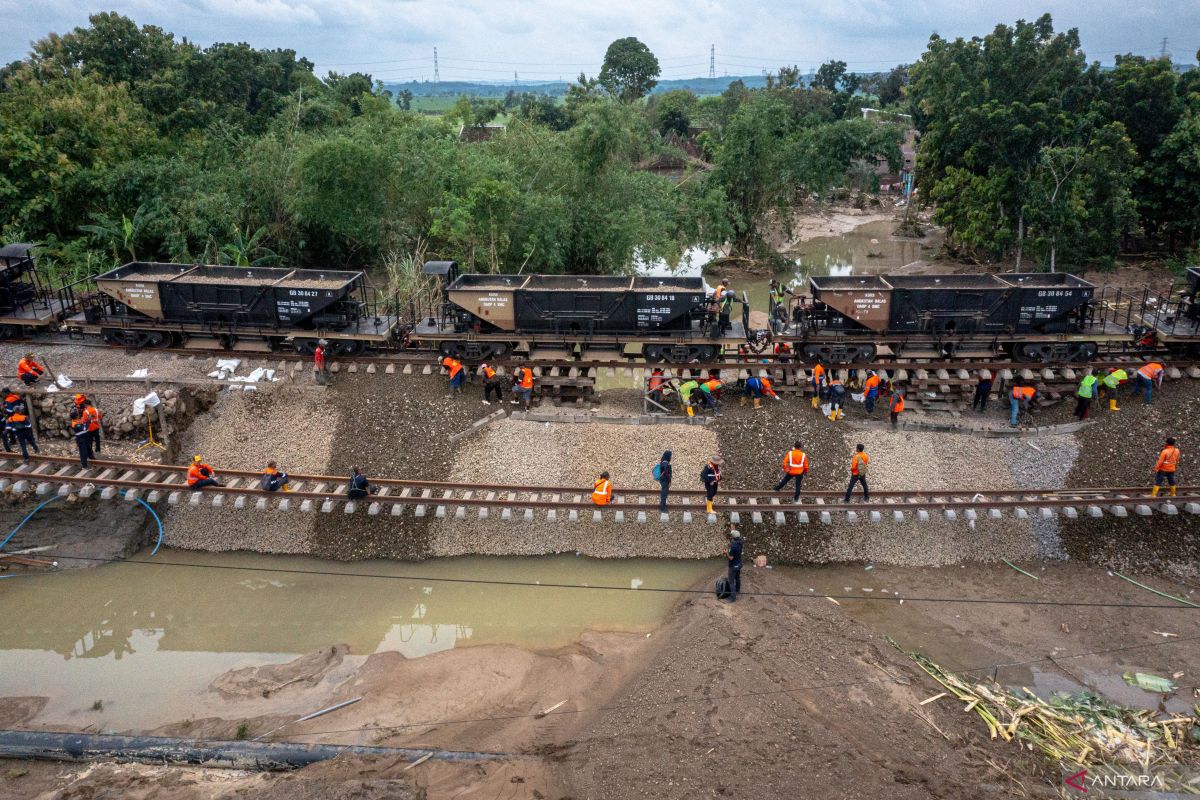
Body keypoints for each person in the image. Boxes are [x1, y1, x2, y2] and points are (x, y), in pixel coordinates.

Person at [5, 396, 37, 461]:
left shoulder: (10, 419)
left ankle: (26, 458)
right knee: (31, 441)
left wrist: (7, 432)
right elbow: (29, 426)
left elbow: (8, 428)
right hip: (26, 432)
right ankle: (36, 448)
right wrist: (28, 432)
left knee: (23, 446)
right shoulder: (24, 417)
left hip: (18, 433)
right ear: (20, 411)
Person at [725, 528, 743, 602]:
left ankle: (733, 598)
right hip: (739, 564)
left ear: (733, 537)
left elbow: (731, 558)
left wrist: (726, 552)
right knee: (737, 578)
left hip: (733, 566)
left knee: (731, 581)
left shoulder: (733, 545)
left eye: (731, 535)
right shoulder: (741, 542)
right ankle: (737, 590)